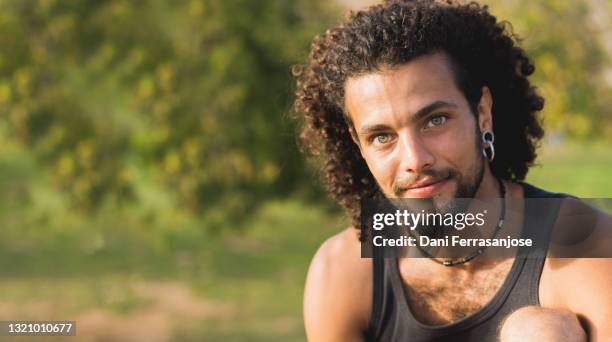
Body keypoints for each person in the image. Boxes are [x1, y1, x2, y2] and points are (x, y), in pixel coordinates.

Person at [292, 0, 612, 341]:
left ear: (483, 113)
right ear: (359, 146)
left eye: (435, 120)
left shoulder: (586, 246)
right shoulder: (343, 272)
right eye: (382, 136)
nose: (414, 159)